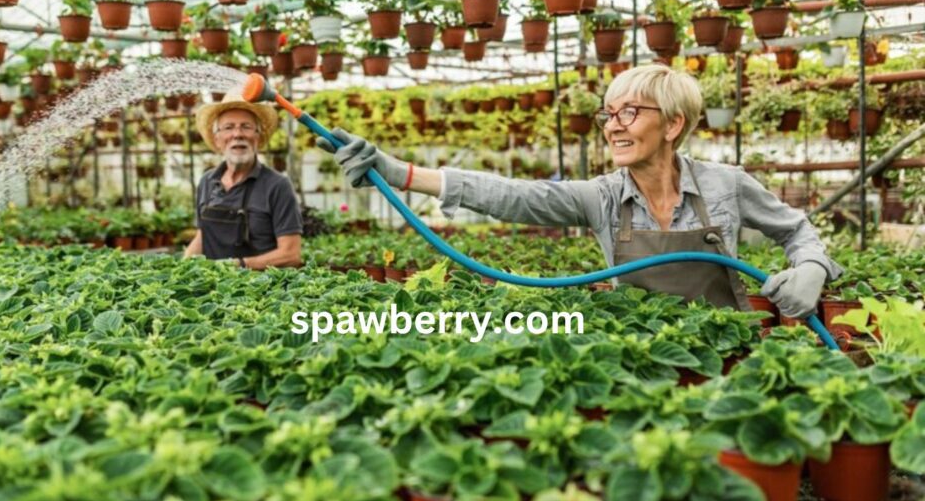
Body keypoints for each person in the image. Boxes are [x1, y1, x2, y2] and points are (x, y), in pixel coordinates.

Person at [316, 64, 842, 317]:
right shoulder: (602, 196)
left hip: (726, 347)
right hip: (642, 355)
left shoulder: (727, 185)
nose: (614, 125)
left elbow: (798, 232)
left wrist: (812, 271)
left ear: (675, 125)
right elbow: (511, 195)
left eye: (630, 113)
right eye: (609, 114)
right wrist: (399, 171)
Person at [185, 89, 302, 269]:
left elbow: (291, 254)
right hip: (212, 289)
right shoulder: (207, 181)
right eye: (228, 127)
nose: (237, 134)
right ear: (217, 140)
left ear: (258, 137)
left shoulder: (277, 185)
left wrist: (237, 265)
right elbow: (203, 235)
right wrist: (181, 267)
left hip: (263, 291)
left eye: (246, 127)